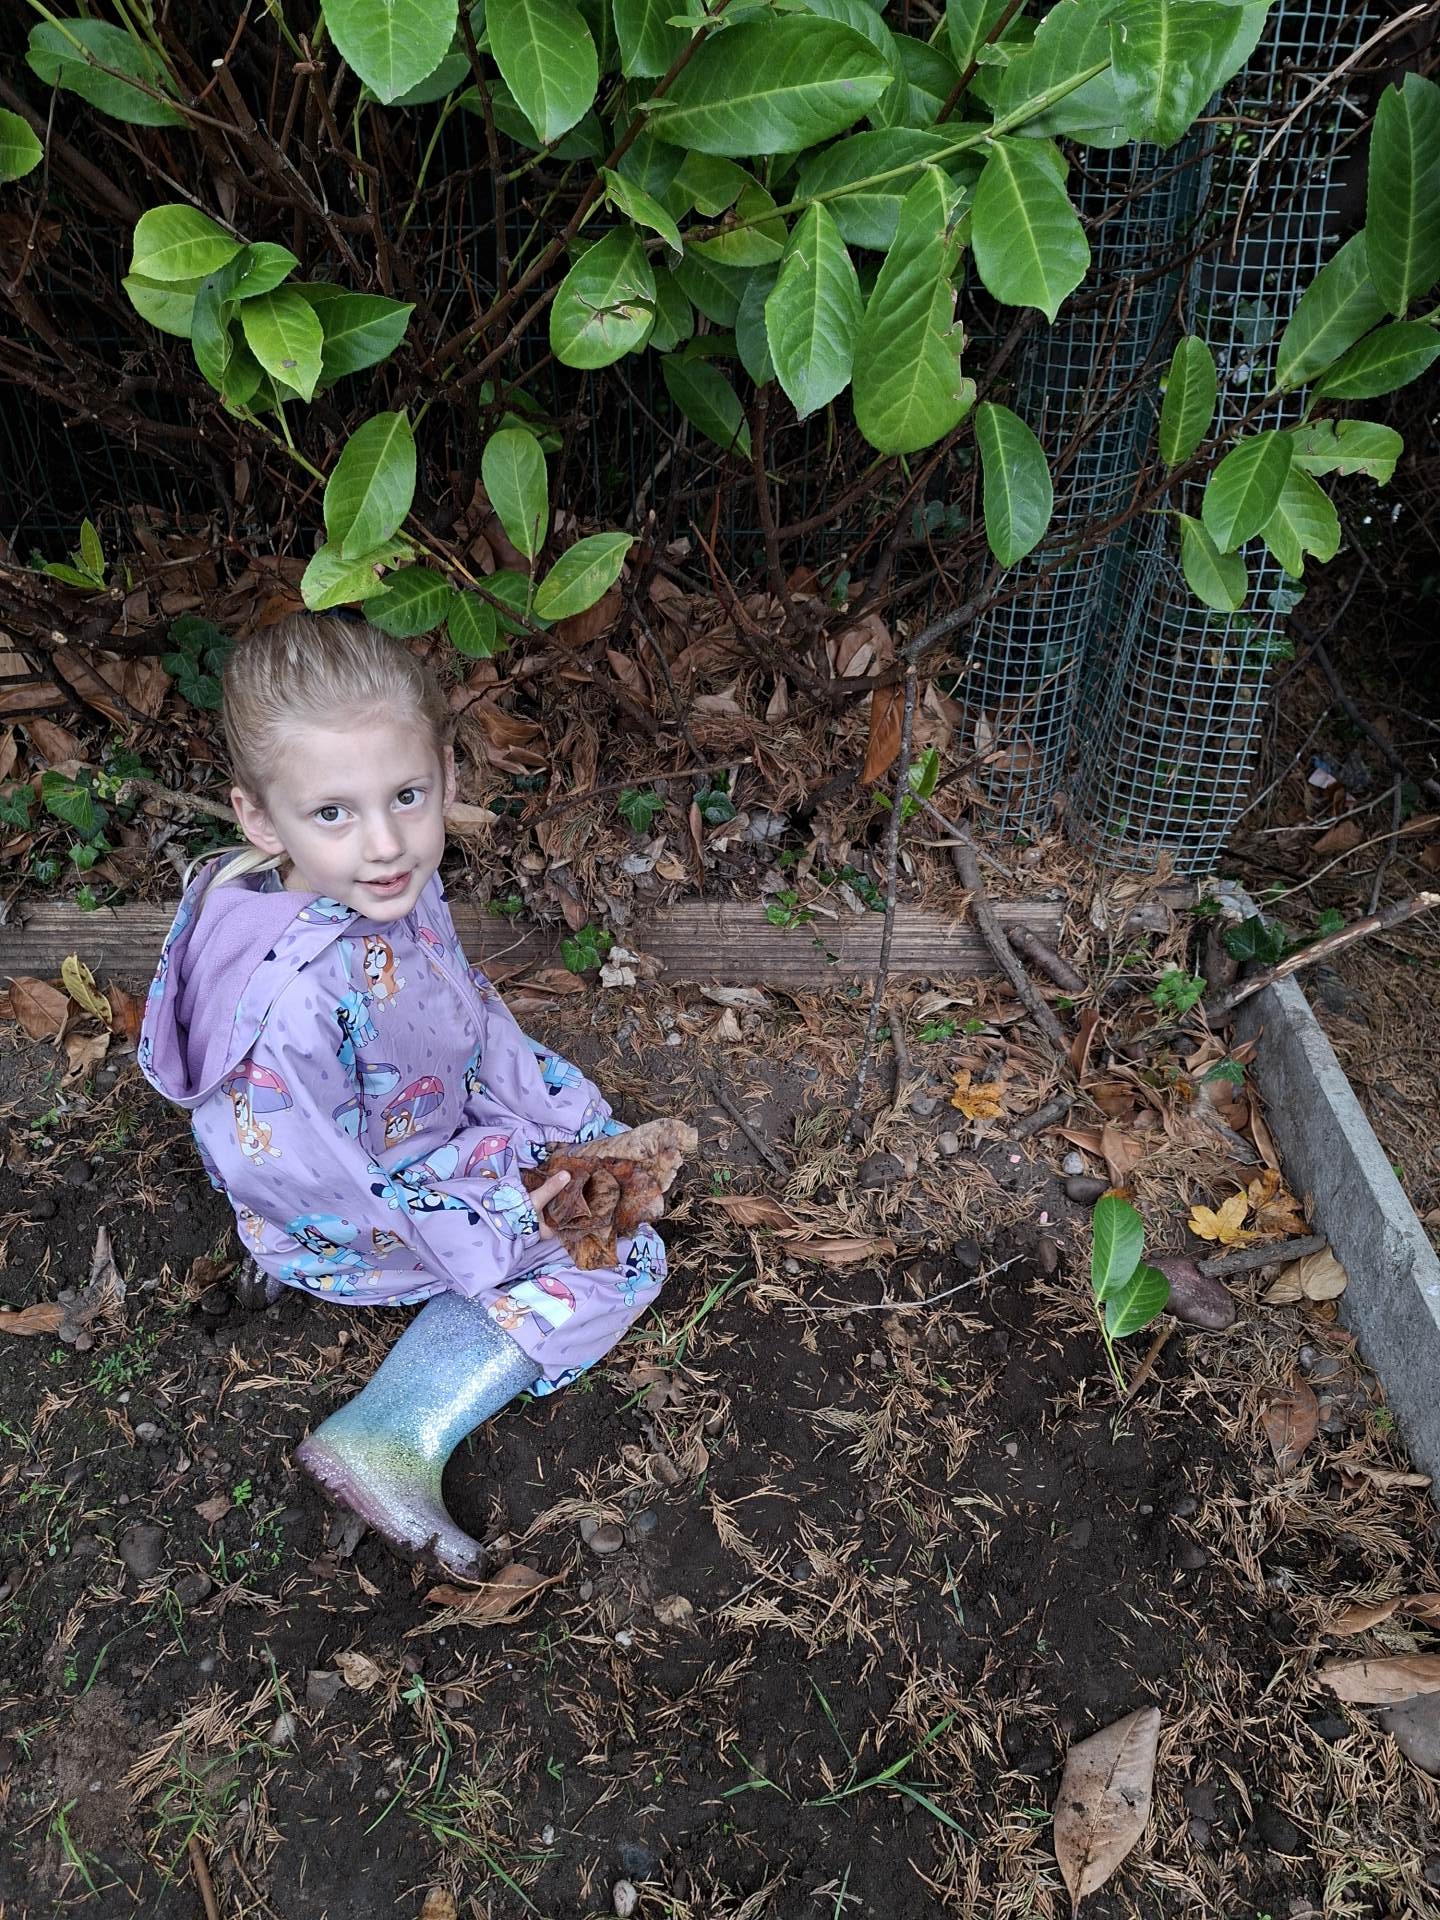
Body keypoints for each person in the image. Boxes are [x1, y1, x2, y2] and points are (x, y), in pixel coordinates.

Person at [138, 614, 669, 1576]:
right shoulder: (290, 1010)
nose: (384, 842)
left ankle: (536, 1195)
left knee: (604, 1160)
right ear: (260, 819)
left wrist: (560, 1119)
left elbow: (464, 1013)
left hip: (425, 1127)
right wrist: (506, 1217)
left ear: (445, 777)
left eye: (407, 796)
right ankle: (392, 1433)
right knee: (620, 1258)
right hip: (356, 1218)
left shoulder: (383, 884)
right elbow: (317, 1188)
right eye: (332, 813)